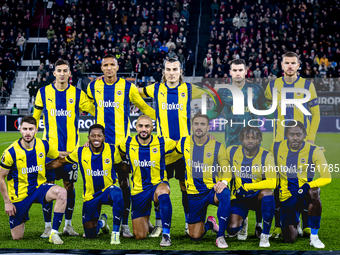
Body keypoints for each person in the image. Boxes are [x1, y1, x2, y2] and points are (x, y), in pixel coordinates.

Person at [87, 54, 156, 238]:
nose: (109, 68)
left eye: (112, 65)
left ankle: (124, 224)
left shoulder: (127, 86)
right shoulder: (93, 86)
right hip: (99, 148)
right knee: (97, 184)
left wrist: (159, 118)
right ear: (101, 68)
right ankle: (97, 219)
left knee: (125, 185)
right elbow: (86, 103)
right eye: (106, 65)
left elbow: (142, 106)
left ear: (117, 67)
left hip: (121, 147)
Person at [138, 58, 208, 236]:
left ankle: (187, 222)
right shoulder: (155, 88)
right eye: (168, 69)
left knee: (187, 187)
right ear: (163, 71)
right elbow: (135, 92)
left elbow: (213, 95)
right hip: (163, 150)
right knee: (160, 186)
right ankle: (160, 224)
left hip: (185, 150)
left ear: (180, 71)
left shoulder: (190, 89)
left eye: (174, 69)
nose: (171, 72)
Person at [33, 59, 95, 238]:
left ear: (70, 74)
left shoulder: (77, 94)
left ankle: (68, 225)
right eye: (58, 70)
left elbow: (96, 111)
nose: (61, 73)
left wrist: (91, 139)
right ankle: (47, 227)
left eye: (65, 71)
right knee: (48, 188)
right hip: (49, 153)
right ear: (54, 73)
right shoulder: (43, 92)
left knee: (69, 187)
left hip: (70, 153)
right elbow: (34, 120)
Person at [207, 58, 269, 237]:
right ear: (230, 72)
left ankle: (259, 223)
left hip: (252, 145)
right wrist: (201, 118)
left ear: (246, 70)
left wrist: (282, 112)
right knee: (234, 183)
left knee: (256, 182)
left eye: (241, 70)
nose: (238, 73)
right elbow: (216, 111)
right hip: (231, 146)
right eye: (234, 70)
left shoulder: (256, 89)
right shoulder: (223, 91)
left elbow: (264, 109)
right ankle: (242, 221)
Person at [265, 52, 321, 238]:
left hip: (302, 145)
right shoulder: (272, 85)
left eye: (293, 63)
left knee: (305, 183)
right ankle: (279, 225)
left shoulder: (307, 85)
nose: (290, 66)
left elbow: (316, 115)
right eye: (287, 63)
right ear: (281, 65)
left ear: (299, 65)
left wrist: (311, 138)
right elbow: (266, 108)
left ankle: (305, 225)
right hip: (278, 144)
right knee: (278, 186)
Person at [45, 124, 127, 245]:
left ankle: (115, 234)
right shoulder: (80, 152)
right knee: (90, 235)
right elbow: (61, 161)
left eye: (99, 135)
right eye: (93, 136)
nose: (96, 138)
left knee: (117, 193)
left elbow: (121, 167)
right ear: (88, 138)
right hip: (90, 196)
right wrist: (42, 167)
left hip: (108, 191)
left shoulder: (112, 150)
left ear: (104, 137)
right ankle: (102, 222)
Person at [0, 116, 67, 244]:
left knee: (62, 192)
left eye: (31, 129)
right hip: (19, 195)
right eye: (25, 129)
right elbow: (0, 177)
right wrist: (7, 202)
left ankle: (53, 233)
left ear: (36, 130)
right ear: (20, 129)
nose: (28, 132)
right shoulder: (10, 152)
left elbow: (59, 154)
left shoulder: (43, 144)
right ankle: (21, 215)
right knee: (17, 237)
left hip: (39, 188)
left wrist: (80, 152)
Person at [172, 114, 231, 248]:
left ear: (208, 127)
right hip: (194, 194)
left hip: (212, 190)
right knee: (195, 236)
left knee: (225, 193)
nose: (199, 127)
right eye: (196, 124)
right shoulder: (183, 142)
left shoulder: (217, 146)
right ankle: (210, 224)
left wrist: (224, 182)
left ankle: (220, 236)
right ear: (192, 126)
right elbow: (170, 152)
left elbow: (227, 168)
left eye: (202, 124)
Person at [118, 115, 177, 247]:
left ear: (152, 128)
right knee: (140, 236)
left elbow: (182, 145)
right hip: (138, 189)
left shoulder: (163, 142)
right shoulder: (127, 143)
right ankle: (147, 222)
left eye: (147, 126)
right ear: (136, 127)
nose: (143, 129)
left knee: (163, 193)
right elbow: (116, 151)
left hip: (158, 183)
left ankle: (166, 234)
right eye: (140, 126)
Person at [270, 121, 331, 248]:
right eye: (292, 134)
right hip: (286, 197)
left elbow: (327, 177)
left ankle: (314, 236)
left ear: (304, 135)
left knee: (314, 191)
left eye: (298, 134)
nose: (295, 137)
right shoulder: (275, 147)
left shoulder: (314, 150)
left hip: (305, 195)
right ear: (287, 134)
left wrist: (307, 185)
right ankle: (295, 222)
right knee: (289, 239)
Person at [226, 126, 276, 247]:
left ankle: (264, 235)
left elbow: (272, 182)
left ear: (259, 140)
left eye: (254, 138)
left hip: (256, 198)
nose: (250, 140)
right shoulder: (231, 151)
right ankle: (243, 222)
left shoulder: (266, 156)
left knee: (268, 193)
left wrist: (248, 186)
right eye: (247, 138)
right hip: (239, 197)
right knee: (232, 229)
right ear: (241, 139)